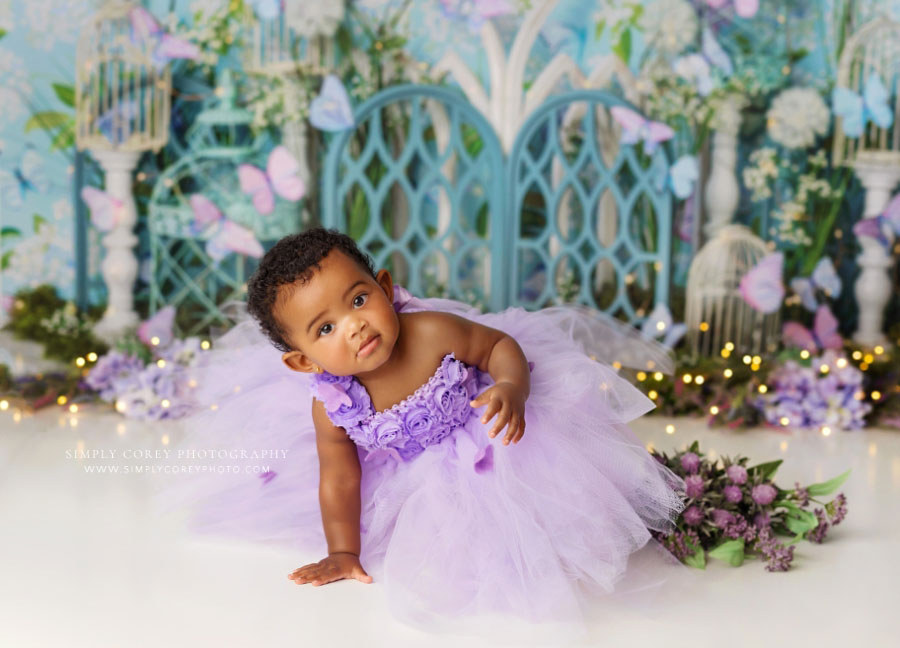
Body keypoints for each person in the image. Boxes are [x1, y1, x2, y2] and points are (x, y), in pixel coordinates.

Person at [153, 227, 696, 643]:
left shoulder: (432, 332)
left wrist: (510, 387)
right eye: (325, 329)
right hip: (415, 472)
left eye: (359, 299)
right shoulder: (333, 408)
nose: (355, 325)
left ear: (385, 288)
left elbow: (498, 345)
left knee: (540, 504)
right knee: (446, 546)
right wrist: (343, 551)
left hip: (487, 432)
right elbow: (341, 479)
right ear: (302, 360)